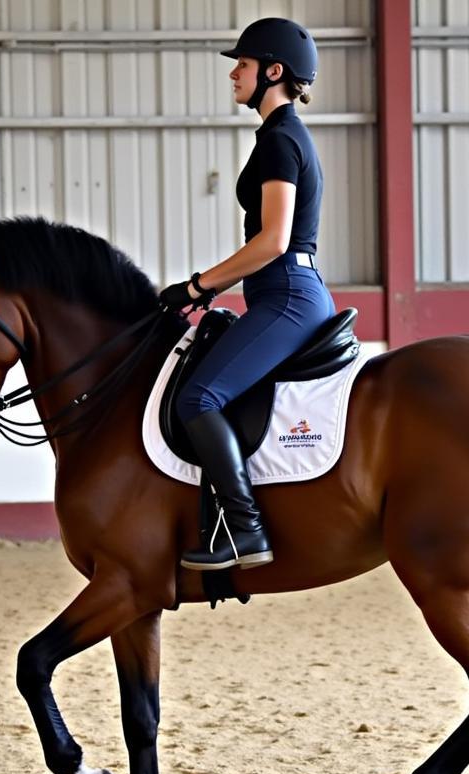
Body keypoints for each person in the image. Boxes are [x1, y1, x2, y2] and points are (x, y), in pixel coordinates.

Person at [159, 17, 335, 572]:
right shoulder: (281, 136)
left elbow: (273, 241)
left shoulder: (280, 140)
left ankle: (244, 529)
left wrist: (198, 285)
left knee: (197, 398)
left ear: (273, 73)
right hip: (282, 292)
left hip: (286, 294)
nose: (234, 73)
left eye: (243, 64)